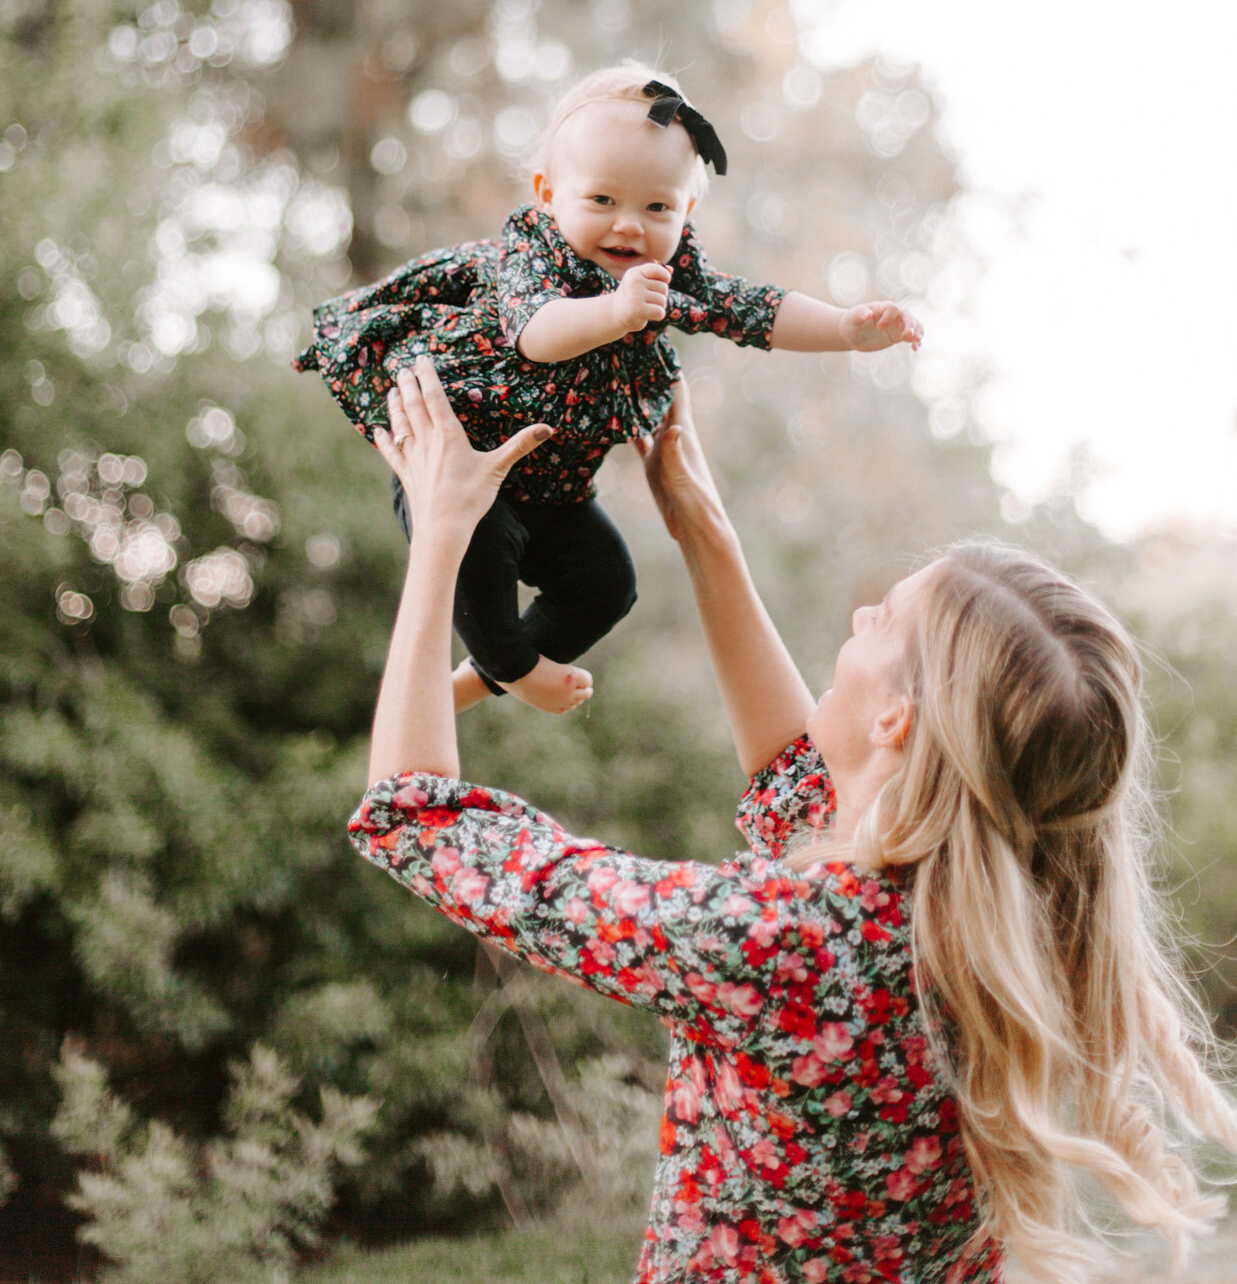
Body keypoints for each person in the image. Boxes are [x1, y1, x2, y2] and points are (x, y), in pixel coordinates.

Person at [347, 358, 1237, 1284]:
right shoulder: (1009, 910)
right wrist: (696, 515)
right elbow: (804, 787)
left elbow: (418, 816)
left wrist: (443, 538)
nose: (857, 612)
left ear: (897, 720)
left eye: (881, 620)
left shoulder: (783, 938)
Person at [297, 62, 921, 716]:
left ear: (687, 209)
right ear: (548, 192)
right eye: (602, 201)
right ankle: (510, 663)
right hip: (468, 460)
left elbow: (753, 310)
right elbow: (534, 332)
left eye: (656, 207)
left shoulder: (672, 268)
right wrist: (618, 312)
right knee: (476, 553)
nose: (628, 225)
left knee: (607, 584)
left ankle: (480, 680)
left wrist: (844, 329)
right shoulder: (530, 248)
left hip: (557, 485)